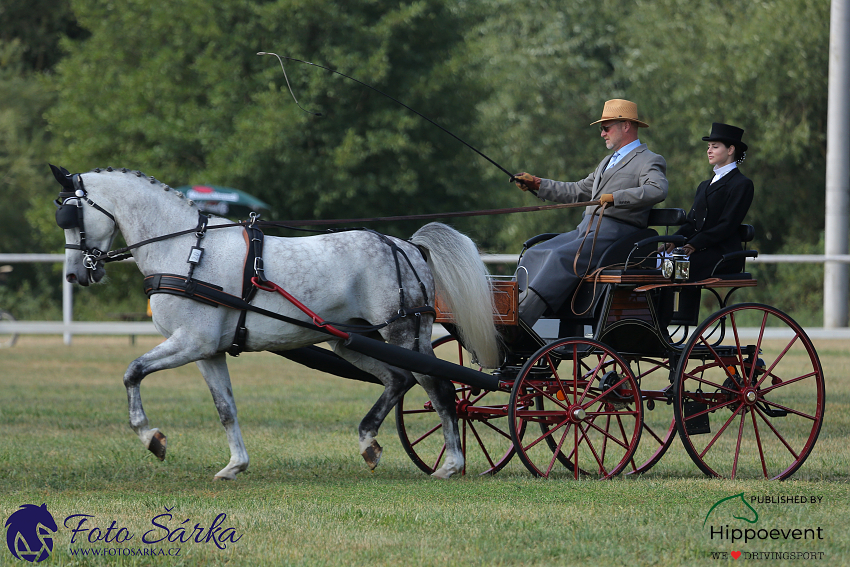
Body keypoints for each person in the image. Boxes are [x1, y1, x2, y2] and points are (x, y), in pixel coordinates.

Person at [512, 99, 668, 328]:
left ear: (625, 125)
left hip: (615, 236)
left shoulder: (649, 159)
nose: (602, 134)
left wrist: (617, 197)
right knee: (535, 253)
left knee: (559, 258)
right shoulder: (606, 162)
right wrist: (538, 184)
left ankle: (521, 320)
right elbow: (577, 190)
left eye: (606, 128)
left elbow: (658, 189)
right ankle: (512, 309)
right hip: (586, 232)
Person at [664, 123, 754, 281]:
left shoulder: (741, 184)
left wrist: (694, 244)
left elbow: (727, 225)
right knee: (661, 264)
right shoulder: (704, 185)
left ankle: (684, 307)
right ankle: (663, 306)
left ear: (730, 150)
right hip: (701, 250)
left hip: (724, 253)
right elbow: (692, 222)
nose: (709, 150)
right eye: (708, 146)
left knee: (680, 268)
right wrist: (673, 241)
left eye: (715, 146)